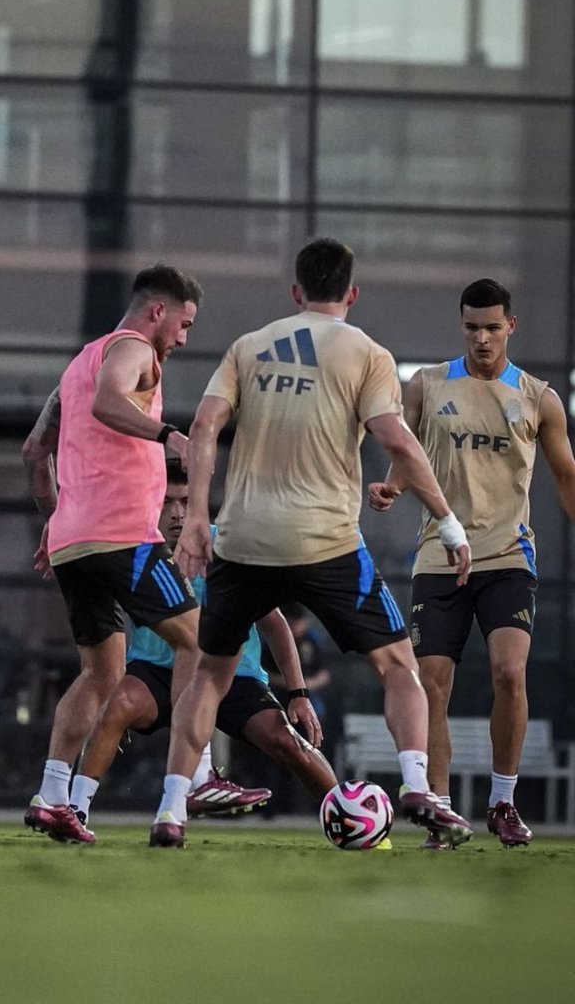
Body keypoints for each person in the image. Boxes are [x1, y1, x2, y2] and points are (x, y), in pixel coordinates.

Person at [153, 237, 474, 848]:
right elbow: (396, 440)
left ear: (295, 292)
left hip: (243, 540)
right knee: (398, 665)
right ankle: (417, 787)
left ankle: (171, 809)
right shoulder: (367, 352)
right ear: (352, 294)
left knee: (209, 677)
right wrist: (448, 521)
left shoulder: (248, 346)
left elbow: (203, 425)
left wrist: (198, 517)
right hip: (325, 540)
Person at [367, 278, 575, 849]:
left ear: (511, 326)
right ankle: (439, 808)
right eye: (471, 327)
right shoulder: (427, 385)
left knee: (510, 674)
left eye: (491, 327)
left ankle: (502, 801)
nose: (481, 337)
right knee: (432, 685)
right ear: (461, 326)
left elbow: (566, 477)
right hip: (439, 555)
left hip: (509, 555)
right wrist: (389, 487)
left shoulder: (539, 397)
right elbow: (405, 451)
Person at [22, 264, 203, 844]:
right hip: (123, 535)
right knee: (199, 642)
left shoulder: (80, 361)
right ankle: (192, 778)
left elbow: (34, 451)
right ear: (158, 311)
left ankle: (53, 797)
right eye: (183, 324)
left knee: (101, 673)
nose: (182, 338)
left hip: (76, 541)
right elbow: (107, 403)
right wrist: (165, 434)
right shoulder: (131, 350)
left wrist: (55, 525)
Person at [70, 460, 340, 832]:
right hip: (156, 672)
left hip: (233, 675)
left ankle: (350, 816)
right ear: (148, 502)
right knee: (117, 706)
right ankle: (75, 812)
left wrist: (299, 693)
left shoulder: (224, 548)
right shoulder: (130, 548)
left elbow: (275, 626)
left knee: (286, 742)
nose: (178, 513)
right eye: (166, 503)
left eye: (184, 501)